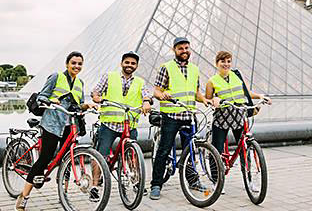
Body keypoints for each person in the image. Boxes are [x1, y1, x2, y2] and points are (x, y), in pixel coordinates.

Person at [15, 51, 96, 211]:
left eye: (80, 63)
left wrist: (87, 105)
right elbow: (41, 97)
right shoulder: (56, 77)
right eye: (73, 63)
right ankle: (24, 197)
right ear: (67, 64)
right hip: (52, 124)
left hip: (69, 125)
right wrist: (50, 99)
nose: (77, 66)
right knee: (44, 159)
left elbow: (77, 105)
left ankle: (63, 193)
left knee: (66, 158)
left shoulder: (80, 82)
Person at [149, 37, 210, 200]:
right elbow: (156, 91)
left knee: (191, 150)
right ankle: (156, 185)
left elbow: (196, 93)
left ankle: (193, 181)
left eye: (186, 48)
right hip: (171, 116)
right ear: (174, 50)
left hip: (189, 116)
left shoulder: (195, 69)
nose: (184, 51)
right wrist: (163, 94)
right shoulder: (166, 67)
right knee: (163, 150)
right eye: (180, 48)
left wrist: (204, 100)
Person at [205, 51, 272, 193]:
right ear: (216, 64)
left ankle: (249, 181)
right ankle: (216, 181)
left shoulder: (237, 76)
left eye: (228, 61)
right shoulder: (211, 81)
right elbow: (208, 100)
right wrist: (213, 101)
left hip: (239, 116)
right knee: (216, 149)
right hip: (222, 118)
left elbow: (247, 93)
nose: (226, 64)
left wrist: (260, 96)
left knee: (244, 149)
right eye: (223, 61)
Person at [91, 51, 152, 199]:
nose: (130, 65)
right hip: (109, 124)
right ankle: (94, 186)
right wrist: (97, 98)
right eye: (127, 62)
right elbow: (95, 91)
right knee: (101, 154)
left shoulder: (140, 82)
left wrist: (146, 102)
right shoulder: (109, 76)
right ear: (121, 63)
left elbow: (146, 95)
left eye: (133, 63)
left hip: (129, 125)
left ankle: (136, 182)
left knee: (133, 156)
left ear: (136, 66)